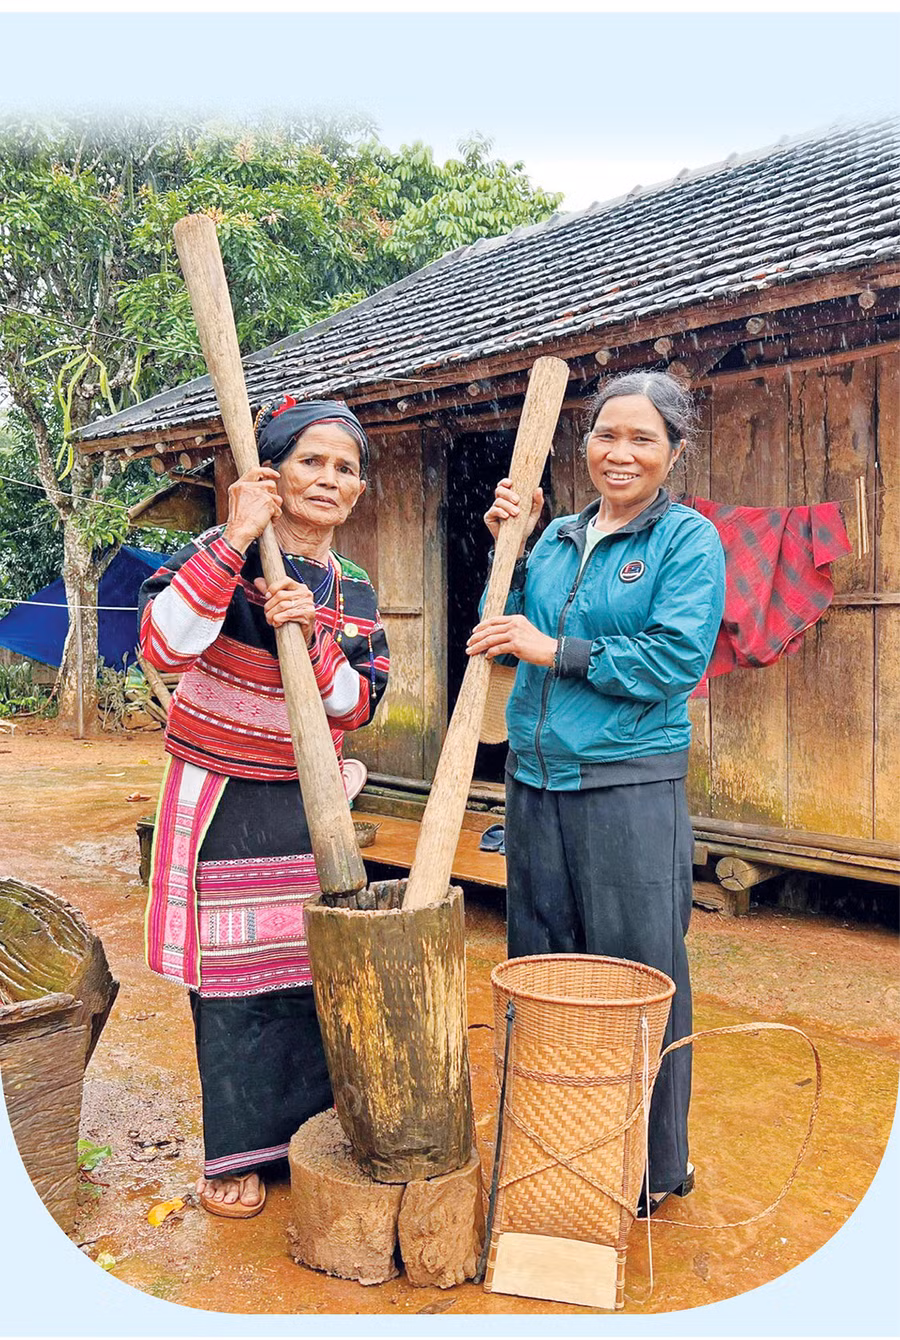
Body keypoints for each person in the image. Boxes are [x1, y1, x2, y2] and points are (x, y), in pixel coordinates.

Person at [467, 371, 725, 1215]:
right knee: (543, 963)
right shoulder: (556, 538)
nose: (621, 453)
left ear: (673, 453)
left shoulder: (686, 542)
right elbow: (496, 628)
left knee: (637, 970)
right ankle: (562, 1147)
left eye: (643, 439)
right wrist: (507, 543)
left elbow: (672, 664)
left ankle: (651, 1169)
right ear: (584, 446)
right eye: (607, 436)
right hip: (536, 780)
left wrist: (554, 651)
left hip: (627, 787)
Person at [139, 396, 389, 1218]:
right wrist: (240, 535)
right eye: (311, 460)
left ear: (358, 491)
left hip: (309, 800)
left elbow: (356, 705)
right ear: (272, 471)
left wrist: (313, 636)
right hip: (223, 798)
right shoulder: (221, 551)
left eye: (345, 467)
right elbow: (167, 645)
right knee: (235, 978)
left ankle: (309, 1134)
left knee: (313, 971)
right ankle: (235, 1152)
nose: (329, 478)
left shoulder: (351, 587)